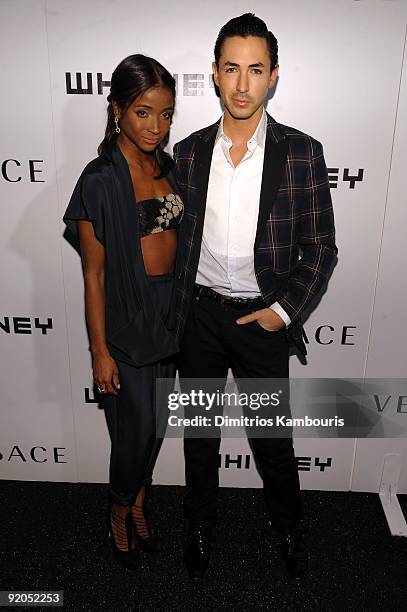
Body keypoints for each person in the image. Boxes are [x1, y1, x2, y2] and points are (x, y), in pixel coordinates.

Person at [173, 13, 337, 579]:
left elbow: (320, 247)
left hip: (260, 322)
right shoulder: (188, 154)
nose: (243, 85)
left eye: (256, 70)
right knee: (199, 435)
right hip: (199, 318)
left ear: (273, 77)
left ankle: (289, 527)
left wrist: (283, 312)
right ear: (215, 75)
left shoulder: (301, 153)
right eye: (232, 69)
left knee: (272, 440)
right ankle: (198, 525)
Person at [63, 54, 182, 569]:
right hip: (127, 318)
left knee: (154, 425)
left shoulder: (166, 166)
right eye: (142, 112)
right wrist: (100, 352)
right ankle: (117, 511)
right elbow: (94, 274)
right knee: (131, 433)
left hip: (171, 312)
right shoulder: (99, 179)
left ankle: (137, 503)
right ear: (116, 110)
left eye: (165, 114)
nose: (156, 126)